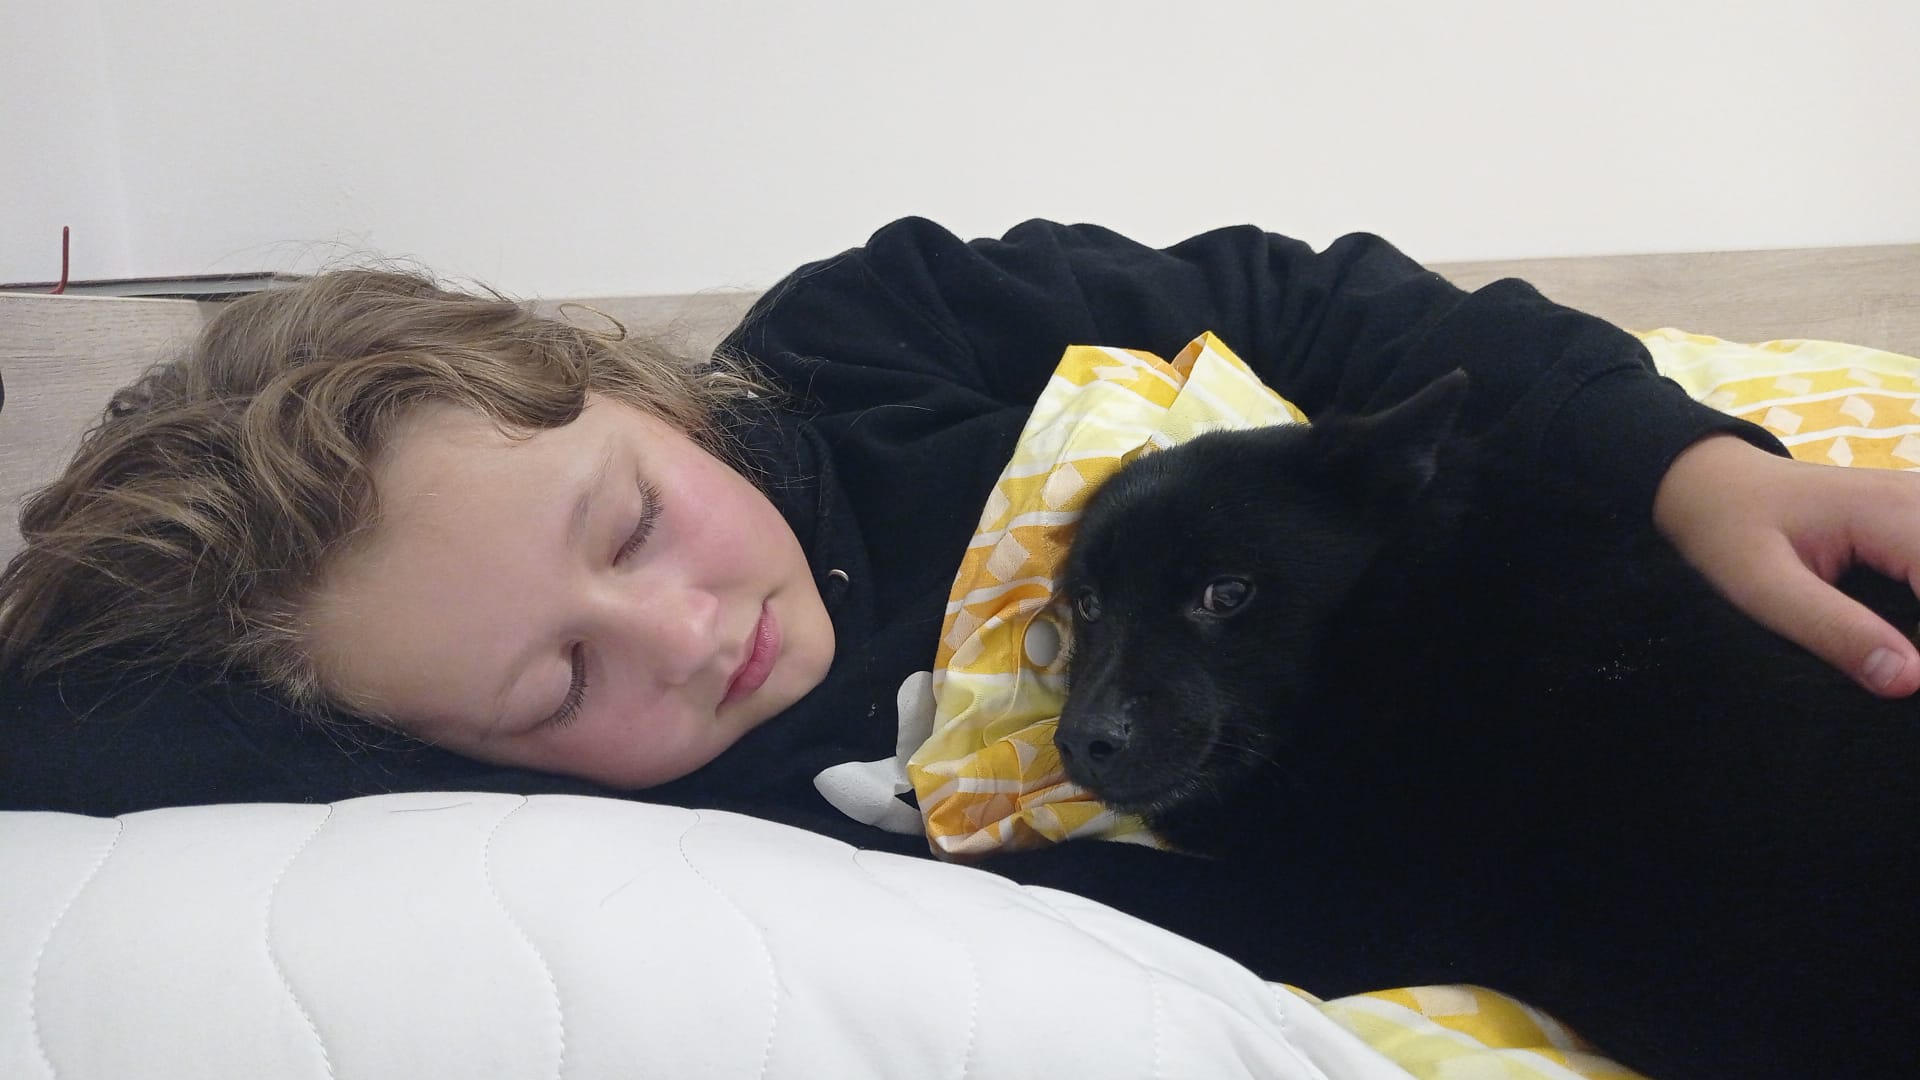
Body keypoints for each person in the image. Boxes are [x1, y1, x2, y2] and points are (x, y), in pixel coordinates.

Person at [4, 217, 1920, 979]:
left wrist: (1694, 468)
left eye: (633, 522)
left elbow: (1313, 304)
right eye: (560, 679)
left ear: (639, 388)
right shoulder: (598, 817)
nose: (692, 634)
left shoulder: (864, 343)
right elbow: (62, 741)